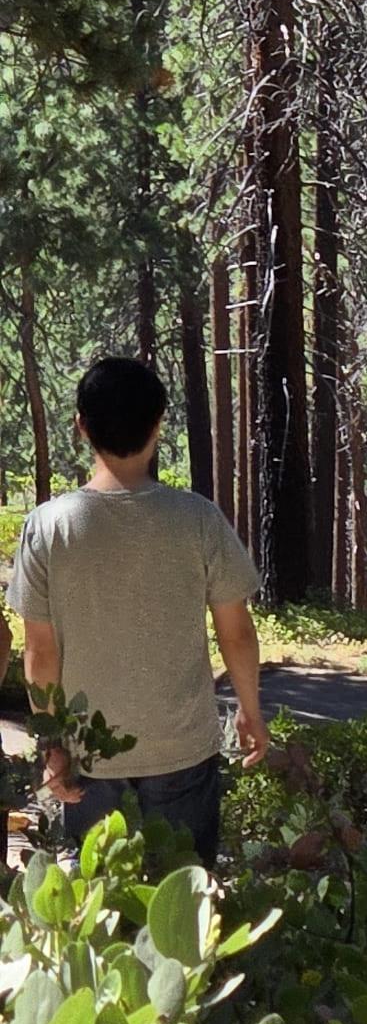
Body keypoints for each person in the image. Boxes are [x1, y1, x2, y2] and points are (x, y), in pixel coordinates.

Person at [8, 353, 267, 863]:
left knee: (96, 900)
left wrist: (52, 744)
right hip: (183, 748)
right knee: (183, 896)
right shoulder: (198, 519)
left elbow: (41, 651)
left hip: (87, 753)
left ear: (81, 427)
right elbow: (236, 631)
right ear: (158, 425)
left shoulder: (48, 526)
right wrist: (250, 712)